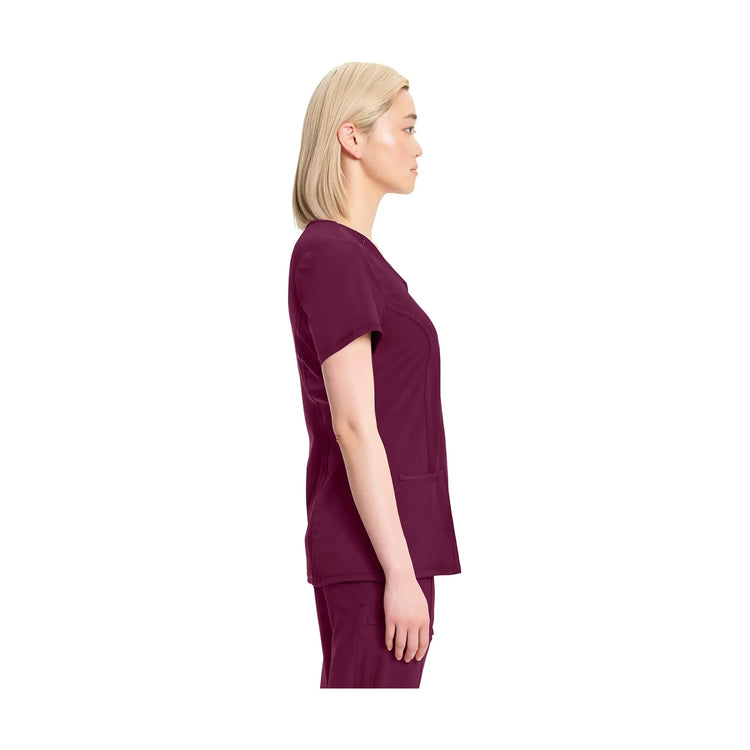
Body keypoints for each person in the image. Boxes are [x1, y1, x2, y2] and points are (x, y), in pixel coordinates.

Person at [287, 62, 462, 688]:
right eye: (406, 127)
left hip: (389, 551)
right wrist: (399, 573)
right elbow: (354, 424)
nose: (419, 146)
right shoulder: (333, 253)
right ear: (352, 138)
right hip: (376, 558)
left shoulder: (355, 257)